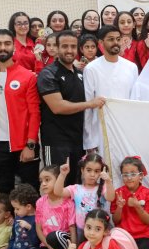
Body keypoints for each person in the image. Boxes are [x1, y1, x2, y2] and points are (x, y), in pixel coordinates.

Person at [37, 31, 104, 183]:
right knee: (55, 184)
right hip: (56, 142)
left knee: (75, 186)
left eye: (73, 46)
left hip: (78, 141)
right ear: (57, 48)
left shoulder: (80, 74)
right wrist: (91, 104)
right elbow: (58, 107)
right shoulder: (48, 74)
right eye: (65, 46)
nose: (69, 50)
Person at [0, 29, 41, 194]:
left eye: (7, 43)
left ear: (13, 47)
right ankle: (8, 220)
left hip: (24, 144)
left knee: (29, 190)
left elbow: (34, 113)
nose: (3, 47)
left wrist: (30, 144)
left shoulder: (27, 76)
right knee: (3, 189)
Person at [83, 25, 138, 156]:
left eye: (118, 39)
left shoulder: (131, 67)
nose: (115, 43)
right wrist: (89, 141)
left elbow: (135, 101)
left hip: (126, 128)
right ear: (101, 43)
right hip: (101, 130)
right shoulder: (91, 69)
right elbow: (88, 105)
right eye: (111, 39)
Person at [28, 166, 76, 249]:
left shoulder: (68, 202)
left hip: (64, 243)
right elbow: (39, 230)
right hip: (48, 245)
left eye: (47, 179)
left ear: (58, 179)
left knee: (53, 236)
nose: (43, 184)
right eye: (41, 181)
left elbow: (73, 230)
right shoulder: (40, 202)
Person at [112, 157, 149, 249]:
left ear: (141, 176)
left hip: (142, 237)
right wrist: (120, 207)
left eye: (133, 174)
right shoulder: (118, 193)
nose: (129, 177)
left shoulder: (148, 193)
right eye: (125, 175)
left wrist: (137, 206)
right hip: (123, 238)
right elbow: (115, 221)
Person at [54, 153, 114, 240]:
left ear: (101, 172)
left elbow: (111, 197)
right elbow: (58, 192)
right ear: (82, 170)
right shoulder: (76, 189)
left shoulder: (103, 187)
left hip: (100, 231)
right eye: (89, 170)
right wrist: (62, 174)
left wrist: (108, 181)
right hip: (82, 231)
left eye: (96, 171)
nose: (92, 174)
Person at [0, 184, 40, 249]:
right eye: (14, 208)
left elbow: (37, 241)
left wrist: (30, 228)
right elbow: (13, 238)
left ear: (28, 207)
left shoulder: (36, 219)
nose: (15, 211)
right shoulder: (18, 217)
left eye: (17, 208)